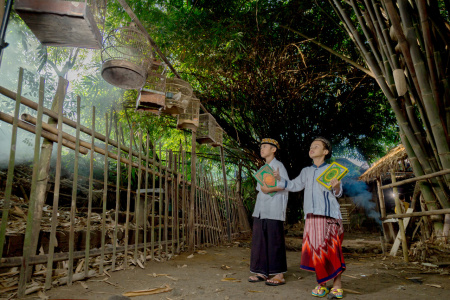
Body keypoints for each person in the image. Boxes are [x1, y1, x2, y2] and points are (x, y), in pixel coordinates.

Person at [261, 137, 345, 299]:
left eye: (316, 146)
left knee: (332, 251)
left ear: (325, 152)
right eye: (311, 146)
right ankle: (322, 284)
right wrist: (279, 179)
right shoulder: (306, 171)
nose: (311, 148)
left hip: (329, 216)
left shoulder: (332, 170)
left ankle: (337, 285)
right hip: (311, 218)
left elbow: (338, 194)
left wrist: (336, 186)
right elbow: (294, 185)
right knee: (317, 252)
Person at [248, 138, 289, 286]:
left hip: (274, 209)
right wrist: (265, 189)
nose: (262, 149)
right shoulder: (262, 169)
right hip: (261, 209)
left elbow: (285, 184)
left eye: (265, 146)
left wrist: (269, 189)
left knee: (274, 240)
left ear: (273, 150)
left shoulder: (279, 166)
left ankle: (279, 274)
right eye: (261, 147)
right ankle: (262, 272)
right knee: (260, 240)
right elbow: (261, 190)